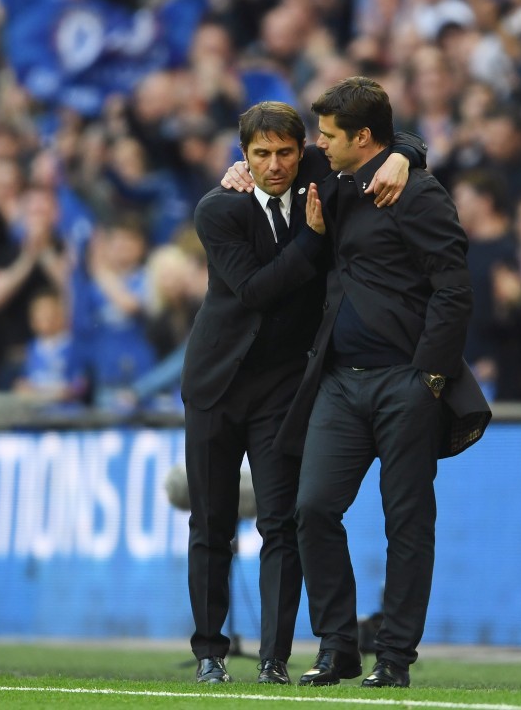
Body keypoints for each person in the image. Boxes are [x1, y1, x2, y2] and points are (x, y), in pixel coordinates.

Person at [182, 100, 425, 685]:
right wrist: (314, 240)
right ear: (242, 156)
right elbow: (255, 290)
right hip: (216, 383)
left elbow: (391, 139)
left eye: (286, 152)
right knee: (211, 524)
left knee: (281, 524)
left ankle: (273, 657)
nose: (274, 165)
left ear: (303, 151)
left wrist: (402, 158)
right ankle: (211, 652)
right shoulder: (219, 209)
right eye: (260, 154)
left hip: (282, 389)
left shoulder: (320, 168)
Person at [274, 77, 491, 688]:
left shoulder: (419, 196)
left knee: (407, 521)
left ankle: (393, 656)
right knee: (312, 508)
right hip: (340, 382)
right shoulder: (337, 176)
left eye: (330, 135)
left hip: (406, 381)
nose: (319, 145)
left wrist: (431, 377)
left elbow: (455, 289)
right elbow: (275, 158)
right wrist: (238, 173)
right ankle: (338, 646)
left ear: (362, 138)